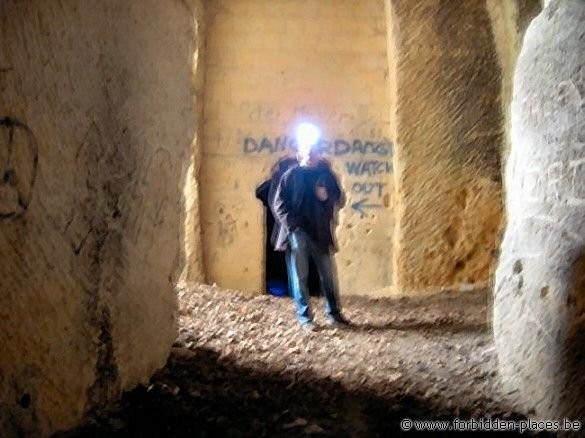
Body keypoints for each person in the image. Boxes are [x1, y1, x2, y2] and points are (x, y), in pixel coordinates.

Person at [270, 127, 349, 331]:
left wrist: (326, 197)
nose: (310, 152)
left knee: (328, 275)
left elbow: (339, 197)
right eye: (307, 148)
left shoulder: (326, 175)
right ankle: (305, 318)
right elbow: (278, 204)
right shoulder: (291, 175)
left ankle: (335, 315)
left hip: (320, 232)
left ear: (318, 152)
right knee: (300, 276)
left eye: (314, 149)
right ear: (300, 153)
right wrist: (292, 225)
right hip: (298, 233)